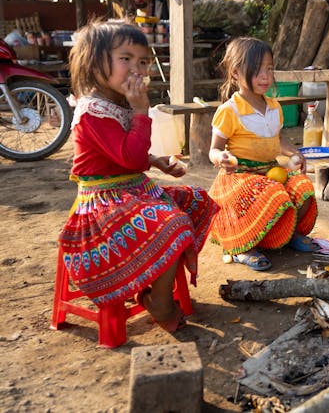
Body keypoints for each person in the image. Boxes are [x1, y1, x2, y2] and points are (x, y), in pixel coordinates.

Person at [58, 20, 219, 333]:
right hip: (102, 205)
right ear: (94, 63)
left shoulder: (117, 103)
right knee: (170, 222)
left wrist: (156, 161)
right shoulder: (93, 109)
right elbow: (127, 156)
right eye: (125, 59)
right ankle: (158, 300)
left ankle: (155, 280)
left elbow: (123, 156)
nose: (136, 68)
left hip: (133, 192)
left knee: (195, 200)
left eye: (143, 61)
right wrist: (141, 110)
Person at [208, 37, 317, 271]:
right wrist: (221, 158)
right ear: (236, 73)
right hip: (239, 177)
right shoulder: (230, 110)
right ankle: (242, 247)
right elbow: (214, 149)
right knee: (272, 193)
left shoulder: (274, 107)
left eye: (269, 69)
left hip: (270, 171)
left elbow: (277, 140)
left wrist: (294, 153)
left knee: (303, 186)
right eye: (257, 70)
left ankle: (289, 235)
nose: (266, 76)